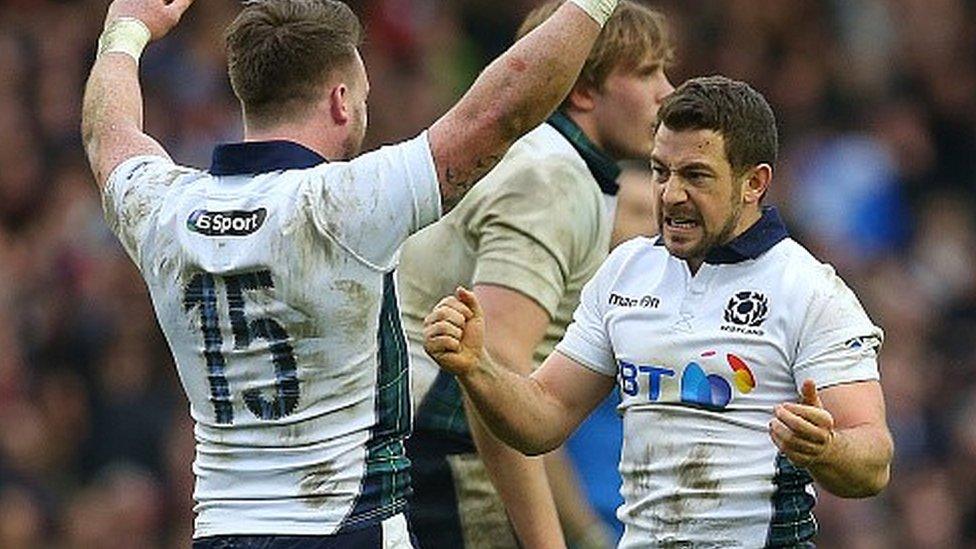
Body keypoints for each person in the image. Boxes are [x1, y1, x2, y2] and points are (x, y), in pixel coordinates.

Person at [81, 0, 622, 545]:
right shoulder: (344, 205)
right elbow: (501, 110)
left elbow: (107, 136)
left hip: (222, 531)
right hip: (348, 529)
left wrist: (125, 30)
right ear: (342, 101)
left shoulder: (165, 210)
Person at [424, 76, 894, 548]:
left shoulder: (810, 290)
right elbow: (544, 415)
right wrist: (476, 366)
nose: (670, 195)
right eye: (660, 171)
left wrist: (827, 448)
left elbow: (874, 462)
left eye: (695, 175)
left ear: (754, 183)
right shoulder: (626, 271)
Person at [396, 2, 673, 547]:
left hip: (434, 446)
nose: (667, 91)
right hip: (448, 452)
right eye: (646, 72)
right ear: (584, 90)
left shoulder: (559, 165)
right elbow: (492, 369)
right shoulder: (549, 178)